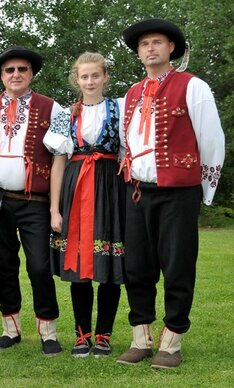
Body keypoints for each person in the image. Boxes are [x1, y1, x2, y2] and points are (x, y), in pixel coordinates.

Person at [116, 19, 225, 369]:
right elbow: (125, 143)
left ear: (171, 48)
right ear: (138, 53)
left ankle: (172, 341)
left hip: (179, 191)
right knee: (137, 267)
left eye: (157, 42)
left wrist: (204, 190)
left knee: (177, 265)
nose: (150, 49)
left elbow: (211, 140)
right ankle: (141, 338)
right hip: (137, 192)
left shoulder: (193, 86)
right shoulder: (131, 93)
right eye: (144, 44)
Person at [0, 46, 63, 355]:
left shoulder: (52, 108)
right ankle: (11, 328)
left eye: (22, 69)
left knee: (38, 265)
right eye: (9, 70)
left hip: (35, 200)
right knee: (5, 265)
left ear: (31, 74)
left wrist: (55, 206)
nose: (16, 75)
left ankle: (48, 329)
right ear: (1, 76)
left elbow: (63, 154)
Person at [43, 52, 124, 358]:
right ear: (76, 79)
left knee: (110, 263)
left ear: (105, 77)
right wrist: (54, 208)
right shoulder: (66, 114)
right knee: (79, 265)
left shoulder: (119, 108)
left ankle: (103, 333)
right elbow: (58, 164)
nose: (90, 81)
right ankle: (82, 334)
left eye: (95, 75)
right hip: (75, 189)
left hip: (109, 188)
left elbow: (125, 153)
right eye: (84, 76)